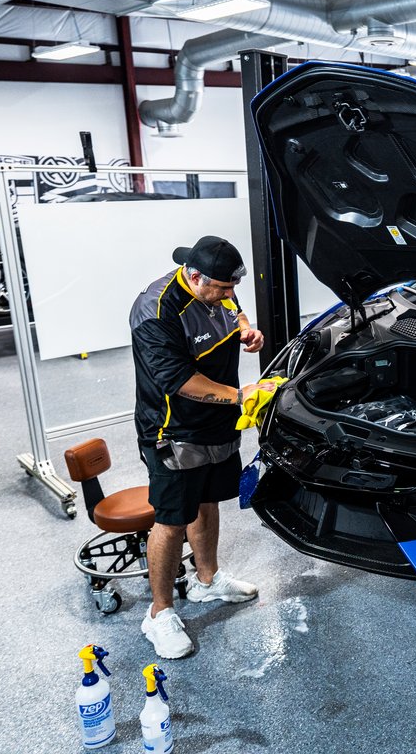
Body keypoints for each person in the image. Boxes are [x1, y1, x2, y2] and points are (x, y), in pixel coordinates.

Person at [129, 235, 276, 659]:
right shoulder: (156, 310)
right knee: (172, 520)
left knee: (207, 501)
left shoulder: (219, 287)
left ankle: (206, 581)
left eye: (233, 287)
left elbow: (234, 309)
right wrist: (240, 395)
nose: (230, 295)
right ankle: (159, 613)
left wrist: (246, 329)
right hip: (173, 430)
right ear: (195, 277)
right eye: (223, 288)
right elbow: (179, 380)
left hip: (216, 422)